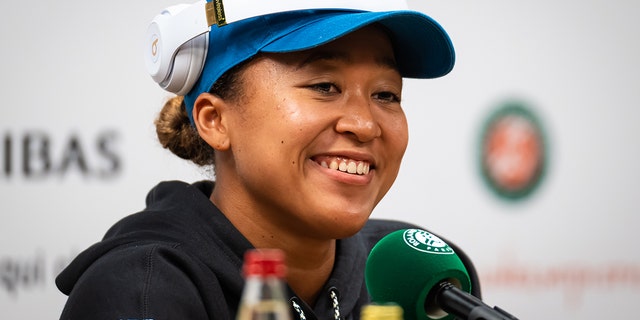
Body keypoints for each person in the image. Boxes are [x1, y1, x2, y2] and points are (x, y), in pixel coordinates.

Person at [56, 1, 480, 319]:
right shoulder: (142, 289)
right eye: (325, 86)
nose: (365, 124)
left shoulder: (421, 276)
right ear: (215, 120)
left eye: (386, 94)